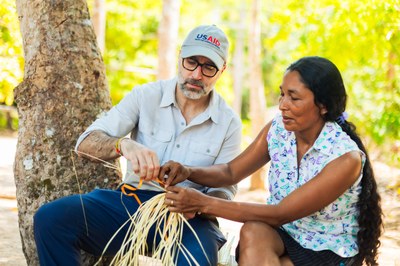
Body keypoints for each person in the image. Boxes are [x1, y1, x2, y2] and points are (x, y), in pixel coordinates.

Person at [33, 24, 242, 265]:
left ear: (222, 70)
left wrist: (199, 204)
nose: (196, 74)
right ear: (179, 57)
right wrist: (125, 146)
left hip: (191, 219)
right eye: (191, 62)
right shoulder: (145, 96)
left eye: (209, 67)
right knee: (52, 218)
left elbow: (225, 190)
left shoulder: (229, 123)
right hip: (130, 204)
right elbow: (85, 143)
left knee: (198, 260)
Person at [161, 56, 383, 266]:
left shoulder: (344, 158)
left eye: (294, 98)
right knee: (253, 231)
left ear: (323, 106)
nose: (282, 105)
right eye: (282, 94)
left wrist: (203, 203)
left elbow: (280, 213)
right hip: (285, 234)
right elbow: (230, 172)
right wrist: (188, 172)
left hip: (328, 250)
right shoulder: (279, 131)